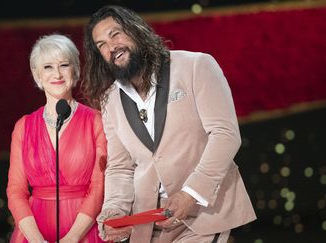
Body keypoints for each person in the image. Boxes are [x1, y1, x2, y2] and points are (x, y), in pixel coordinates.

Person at [81, 5, 256, 243]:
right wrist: (115, 211)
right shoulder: (110, 99)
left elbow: (225, 135)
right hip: (147, 221)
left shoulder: (196, 66)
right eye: (101, 45)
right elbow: (120, 167)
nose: (112, 47)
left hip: (202, 212)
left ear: (136, 30)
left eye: (116, 34)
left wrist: (191, 193)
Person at [7, 34, 107, 243]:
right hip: (34, 232)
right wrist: (36, 240)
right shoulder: (23, 127)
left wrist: (72, 238)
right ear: (37, 74)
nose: (57, 74)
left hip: (85, 231)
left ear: (75, 70)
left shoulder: (95, 121)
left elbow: (100, 187)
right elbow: (16, 191)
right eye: (48, 67)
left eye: (64, 65)